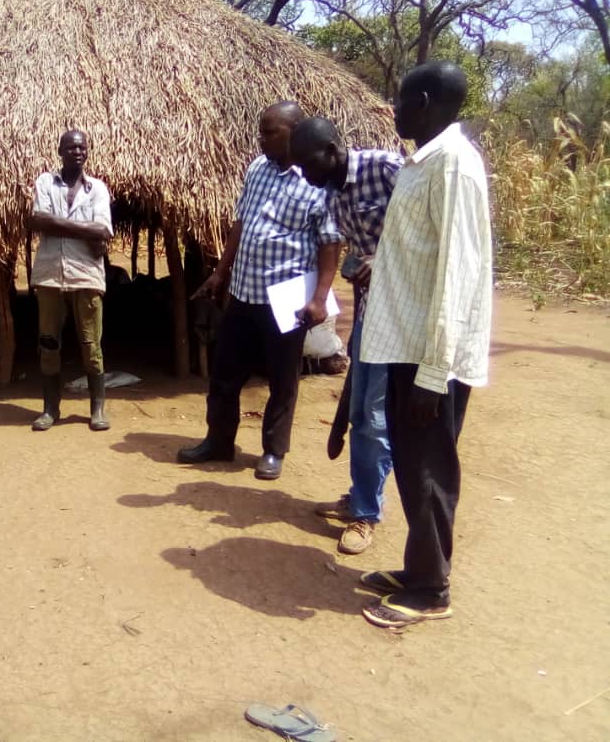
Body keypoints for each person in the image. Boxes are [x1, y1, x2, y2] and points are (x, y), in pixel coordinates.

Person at [358, 62, 492, 629]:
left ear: (426, 101)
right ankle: (419, 570)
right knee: (414, 466)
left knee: (430, 470)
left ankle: (432, 590)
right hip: (408, 343)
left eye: (402, 99)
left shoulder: (454, 165)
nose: (394, 108)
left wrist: (434, 373)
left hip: (430, 355)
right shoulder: (426, 162)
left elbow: (458, 273)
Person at [178, 102, 342, 479]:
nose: (262, 139)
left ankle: (273, 450)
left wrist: (319, 298)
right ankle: (219, 441)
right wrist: (220, 272)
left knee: (282, 380)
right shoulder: (256, 168)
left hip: (286, 301)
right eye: (261, 132)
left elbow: (330, 243)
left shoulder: (316, 180)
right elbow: (241, 223)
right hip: (243, 291)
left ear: (295, 133)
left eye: (270, 132)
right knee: (224, 373)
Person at [290, 117, 404, 555]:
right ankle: (360, 496)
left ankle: (366, 515)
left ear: (333, 149)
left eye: (308, 163)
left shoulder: (386, 168)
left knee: (374, 418)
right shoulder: (331, 192)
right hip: (370, 313)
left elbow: (428, 229)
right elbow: (352, 254)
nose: (305, 174)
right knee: (358, 411)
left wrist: (385, 259)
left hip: (402, 317)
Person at [28, 129, 113, 432]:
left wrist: (57, 224)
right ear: (60, 151)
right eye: (71, 147)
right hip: (50, 275)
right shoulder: (45, 182)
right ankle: (50, 409)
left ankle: (97, 409)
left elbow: (103, 231)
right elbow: (38, 220)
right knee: (48, 343)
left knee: (91, 345)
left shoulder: (97, 189)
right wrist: (86, 230)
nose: (78, 152)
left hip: (86, 276)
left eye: (82, 147)